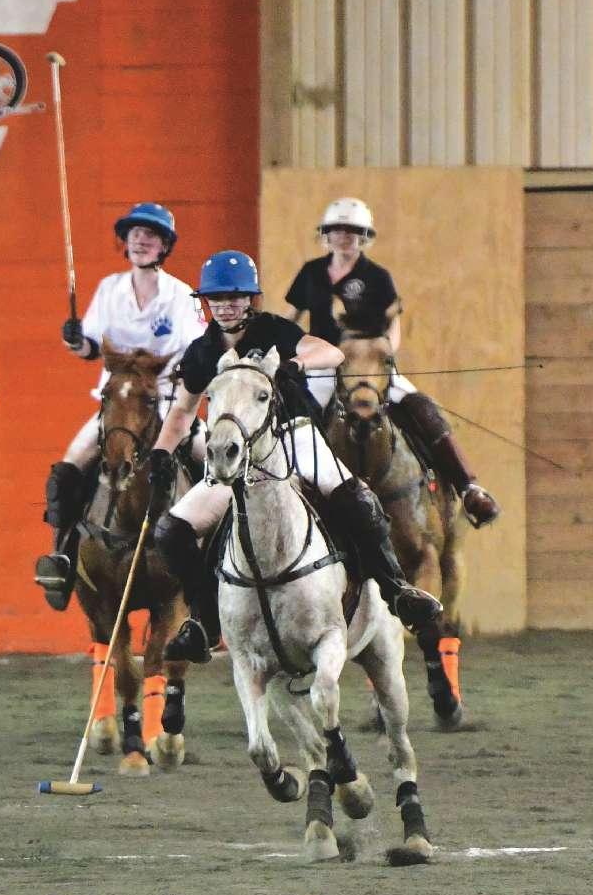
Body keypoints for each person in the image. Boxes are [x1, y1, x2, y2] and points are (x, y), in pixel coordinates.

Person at [148, 250, 444, 665]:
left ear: (249, 300)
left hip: (293, 438)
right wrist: (161, 454)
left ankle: (397, 592)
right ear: (206, 302)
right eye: (217, 298)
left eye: (235, 297)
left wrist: (296, 364)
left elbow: (332, 353)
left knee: (357, 499)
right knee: (172, 531)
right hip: (237, 456)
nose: (226, 306)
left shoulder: (272, 329)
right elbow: (182, 412)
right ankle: (204, 620)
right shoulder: (201, 352)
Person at [285, 197, 498, 526]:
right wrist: (283, 349)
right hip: (325, 364)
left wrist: (387, 350)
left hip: (371, 363)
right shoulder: (311, 272)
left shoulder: (377, 277)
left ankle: (468, 488)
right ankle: (287, 489)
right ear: (327, 234)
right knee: (299, 416)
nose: (344, 237)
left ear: (363, 236)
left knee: (422, 407)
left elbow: (393, 320)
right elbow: (291, 318)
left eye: (352, 231)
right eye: (338, 230)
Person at [34, 201, 204, 610]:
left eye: (151, 236)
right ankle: (61, 559)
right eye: (135, 235)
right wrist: (76, 340)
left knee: (215, 471)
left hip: (170, 405)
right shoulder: (110, 289)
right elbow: (90, 348)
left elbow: (197, 350)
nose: (141, 241)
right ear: (125, 243)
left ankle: (214, 567)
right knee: (66, 472)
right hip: (116, 407)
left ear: (164, 246)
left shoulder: (182, 296)